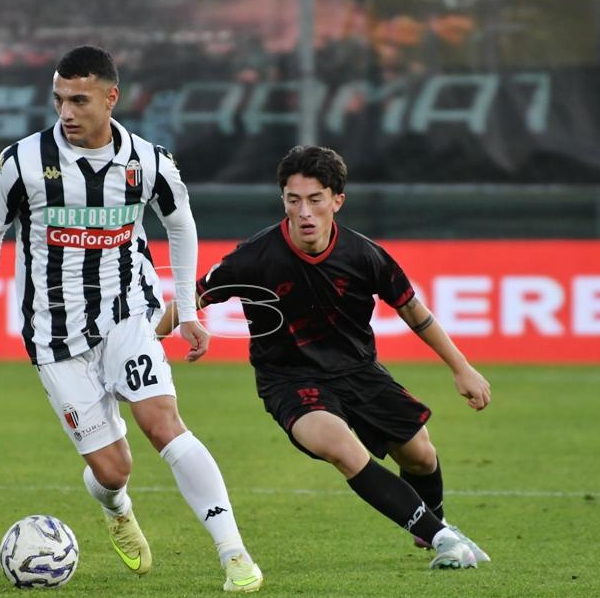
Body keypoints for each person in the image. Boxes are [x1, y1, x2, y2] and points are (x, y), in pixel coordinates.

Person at [0, 45, 262, 592]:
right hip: (54, 333)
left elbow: (181, 224)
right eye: (59, 99)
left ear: (111, 98)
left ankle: (234, 555)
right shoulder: (22, 162)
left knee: (164, 425)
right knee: (112, 469)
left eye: (79, 100)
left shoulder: (150, 162)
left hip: (128, 313)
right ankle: (117, 507)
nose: (66, 112)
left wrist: (186, 309)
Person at [156, 145, 492, 570]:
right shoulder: (254, 257)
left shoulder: (364, 255)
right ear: (283, 200)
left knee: (421, 454)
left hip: (359, 371)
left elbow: (412, 310)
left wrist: (461, 367)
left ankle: (434, 528)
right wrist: (150, 340)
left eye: (315, 200)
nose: (304, 212)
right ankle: (445, 538)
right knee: (341, 448)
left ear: (337, 201)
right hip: (290, 381)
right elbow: (193, 296)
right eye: (293, 200)